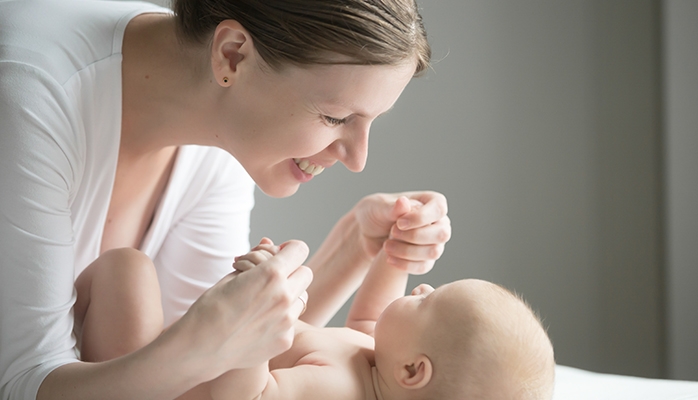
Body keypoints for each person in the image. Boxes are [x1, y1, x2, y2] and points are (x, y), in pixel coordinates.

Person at [0, 0, 452, 399]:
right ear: (232, 54)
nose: (358, 159)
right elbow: (22, 385)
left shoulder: (220, 135)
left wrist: (358, 243)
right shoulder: (32, 98)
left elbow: (215, 365)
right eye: (336, 117)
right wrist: (206, 342)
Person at [77, 227, 556, 400]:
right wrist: (394, 258)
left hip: (146, 389)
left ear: (414, 369)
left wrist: (254, 325)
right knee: (130, 274)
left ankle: (47, 347)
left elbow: (248, 398)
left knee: (128, 268)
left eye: (429, 298)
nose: (424, 286)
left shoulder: (336, 390)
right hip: (176, 367)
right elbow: (369, 323)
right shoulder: (378, 363)